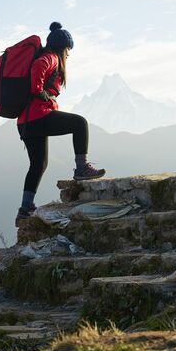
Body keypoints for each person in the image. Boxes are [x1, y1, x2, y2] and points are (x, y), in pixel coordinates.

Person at [16, 22, 106, 224]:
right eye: (68, 49)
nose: (69, 54)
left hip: (26, 121)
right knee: (79, 123)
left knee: (38, 164)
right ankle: (81, 168)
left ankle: (25, 208)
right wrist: (41, 92)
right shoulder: (51, 57)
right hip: (38, 116)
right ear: (62, 47)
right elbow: (38, 70)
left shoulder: (48, 56)